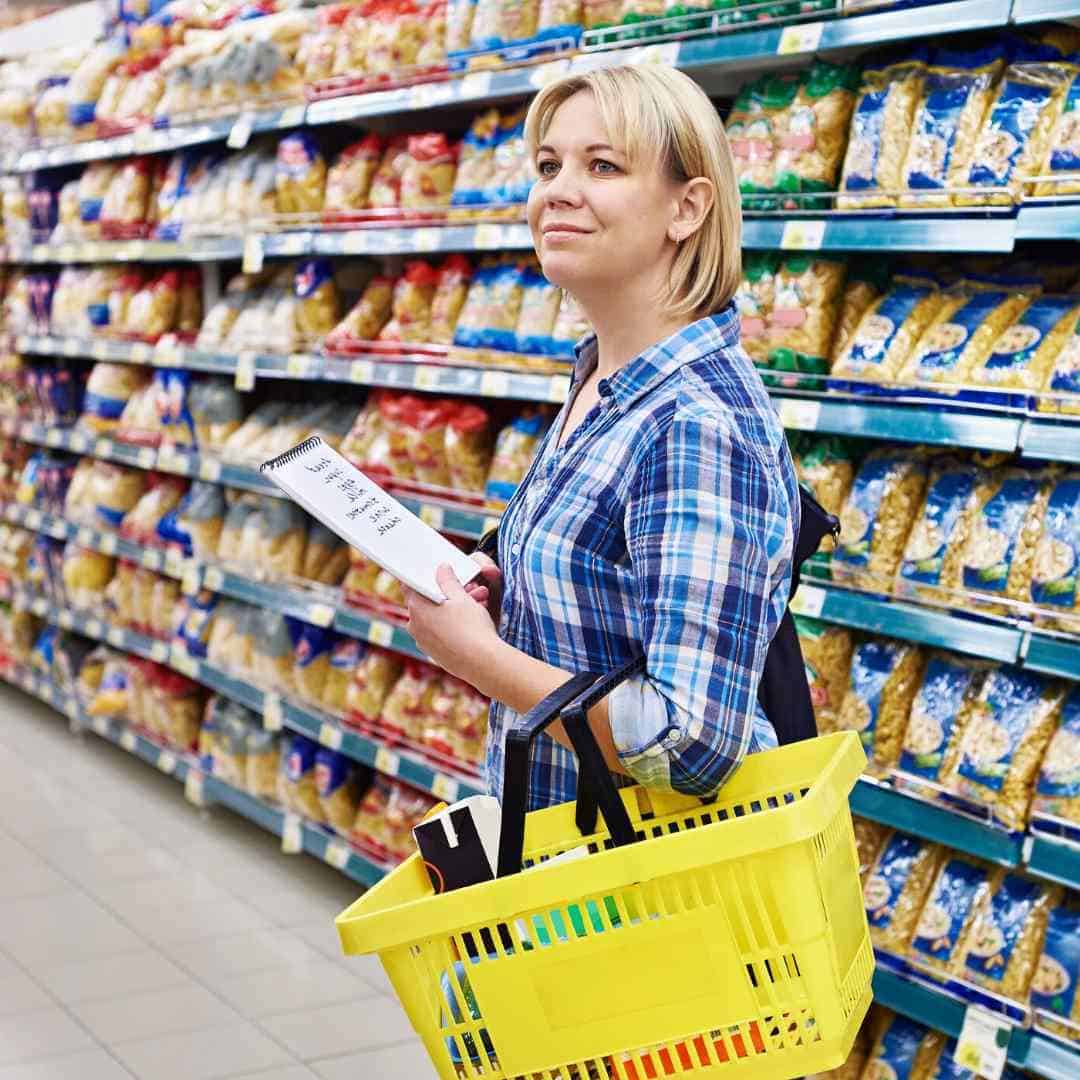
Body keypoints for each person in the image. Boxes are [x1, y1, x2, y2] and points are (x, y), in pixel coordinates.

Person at [404, 64, 800, 812]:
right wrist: (507, 590)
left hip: (646, 902)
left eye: (603, 165)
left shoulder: (694, 425)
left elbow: (692, 746)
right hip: (566, 878)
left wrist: (485, 660)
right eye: (548, 165)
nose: (556, 189)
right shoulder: (601, 381)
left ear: (688, 208)